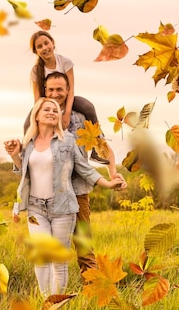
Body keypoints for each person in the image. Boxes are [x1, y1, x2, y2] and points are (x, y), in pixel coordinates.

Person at [4, 97, 124, 297]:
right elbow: (21, 173)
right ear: (37, 115)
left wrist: (109, 182)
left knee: (59, 261)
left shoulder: (67, 140)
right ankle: (47, 300)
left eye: (55, 110)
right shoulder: (28, 143)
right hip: (35, 209)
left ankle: (56, 301)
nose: (52, 112)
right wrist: (14, 155)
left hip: (62, 208)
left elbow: (86, 170)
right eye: (46, 109)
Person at [43, 71, 127, 277]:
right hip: (48, 191)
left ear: (68, 91)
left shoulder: (80, 118)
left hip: (79, 189)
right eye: (51, 89)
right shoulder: (40, 118)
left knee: (84, 246)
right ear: (45, 91)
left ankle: (92, 291)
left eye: (59, 89)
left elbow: (101, 146)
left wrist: (113, 172)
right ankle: (49, 294)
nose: (55, 93)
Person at [27, 30, 109, 164]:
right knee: (27, 123)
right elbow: (37, 98)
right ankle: (27, 154)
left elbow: (71, 90)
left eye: (46, 43)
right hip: (47, 102)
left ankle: (97, 146)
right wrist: (44, 113)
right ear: (36, 51)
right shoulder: (36, 70)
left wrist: (67, 114)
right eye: (39, 46)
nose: (44, 48)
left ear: (53, 43)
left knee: (87, 107)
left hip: (66, 98)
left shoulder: (65, 62)